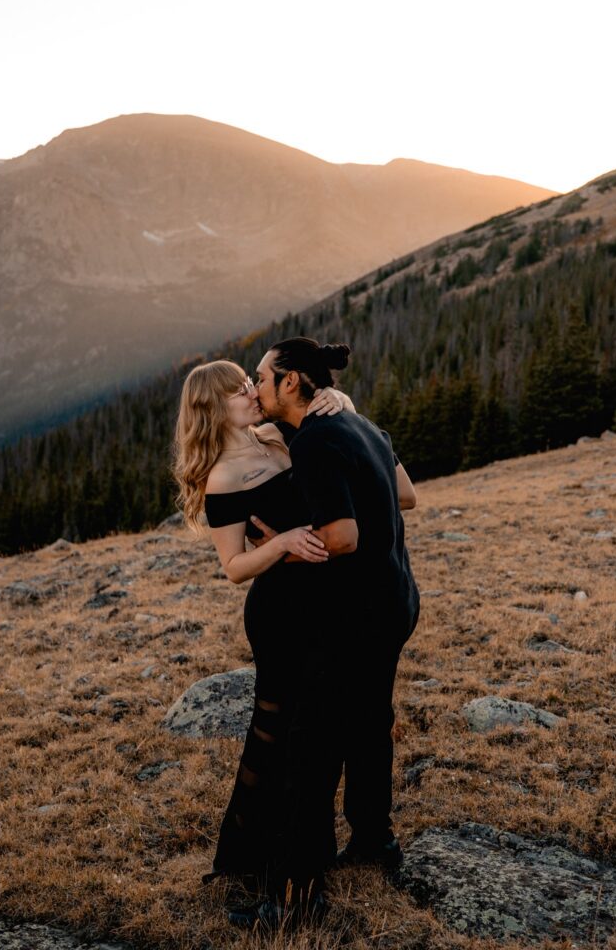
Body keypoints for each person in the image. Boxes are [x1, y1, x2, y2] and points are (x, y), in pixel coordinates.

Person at [242, 336, 420, 929]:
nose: (257, 387)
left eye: (262, 378)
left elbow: (342, 538)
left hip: (354, 618)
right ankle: (375, 841)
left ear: (291, 381)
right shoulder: (359, 422)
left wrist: (277, 550)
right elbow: (406, 494)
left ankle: (298, 895)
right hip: (396, 601)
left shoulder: (318, 439)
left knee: (311, 744)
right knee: (370, 723)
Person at [171, 359, 355, 903]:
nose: (252, 391)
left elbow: (331, 436)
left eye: (250, 382)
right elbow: (233, 566)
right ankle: (252, 857)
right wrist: (281, 543)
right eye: (238, 390)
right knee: (276, 734)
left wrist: (337, 402)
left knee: (314, 728)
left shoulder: (273, 436)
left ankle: (302, 851)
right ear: (211, 407)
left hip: (320, 603)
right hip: (279, 613)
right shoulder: (223, 476)